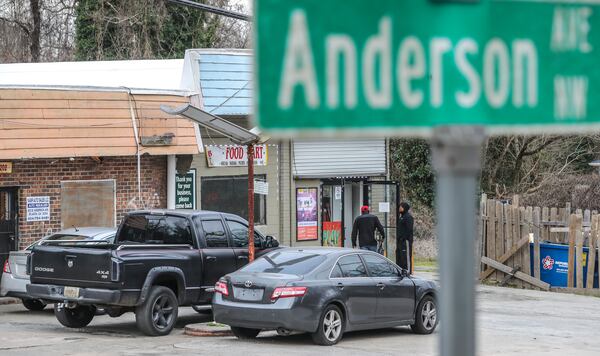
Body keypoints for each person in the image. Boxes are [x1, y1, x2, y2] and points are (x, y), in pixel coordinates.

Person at [396, 202, 414, 272]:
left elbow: (409, 229)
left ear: (405, 208)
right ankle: (401, 271)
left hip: (405, 241)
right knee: (400, 257)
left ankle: (408, 272)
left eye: (401, 206)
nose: (399, 208)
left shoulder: (408, 217)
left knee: (406, 257)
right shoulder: (401, 217)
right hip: (400, 241)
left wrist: (404, 238)